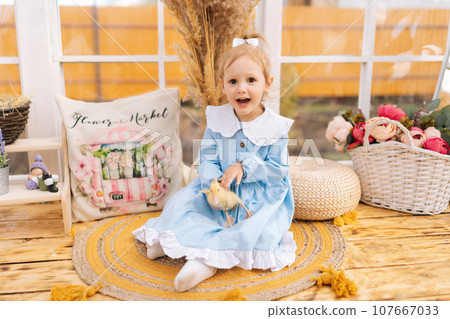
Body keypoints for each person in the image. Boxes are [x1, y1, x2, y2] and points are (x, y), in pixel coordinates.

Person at [132, 34, 296, 292]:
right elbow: (207, 156)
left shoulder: (275, 127)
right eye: (233, 81)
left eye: (251, 80)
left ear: (267, 84)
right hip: (218, 188)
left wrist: (244, 167)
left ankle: (202, 264)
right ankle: (170, 243)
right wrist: (213, 182)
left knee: (251, 230)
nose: (241, 88)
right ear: (222, 85)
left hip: (258, 197)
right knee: (188, 210)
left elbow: (278, 171)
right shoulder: (219, 120)